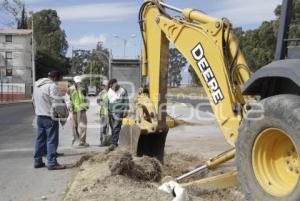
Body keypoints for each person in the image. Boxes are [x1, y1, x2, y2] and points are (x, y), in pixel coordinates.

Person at [32, 71, 66, 170]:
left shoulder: (37, 85)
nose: (59, 82)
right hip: (50, 117)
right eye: (59, 79)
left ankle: (37, 161)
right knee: (51, 140)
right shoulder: (52, 86)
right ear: (55, 78)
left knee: (40, 140)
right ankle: (52, 163)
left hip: (40, 116)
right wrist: (62, 118)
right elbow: (57, 102)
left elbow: (33, 100)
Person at [67, 76, 89, 147]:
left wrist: (86, 106)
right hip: (74, 110)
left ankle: (82, 141)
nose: (78, 84)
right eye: (77, 82)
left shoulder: (83, 89)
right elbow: (67, 99)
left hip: (82, 109)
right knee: (74, 126)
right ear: (74, 82)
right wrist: (70, 107)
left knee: (83, 126)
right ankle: (74, 141)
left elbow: (86, 98)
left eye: (79, 82)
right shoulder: (70, 89)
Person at [107, 79, 129, 148]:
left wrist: (125, 110)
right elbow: (109, 101)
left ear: (116, 84)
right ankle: (114, 143)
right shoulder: (110, 90)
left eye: (112, 86)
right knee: (113, 127)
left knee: (116, 127)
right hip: (111, 112)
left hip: (119, 111)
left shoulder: (123, 91)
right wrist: (108, 111)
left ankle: (113, 143)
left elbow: (126, 101)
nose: (111, 88)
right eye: (110, 86)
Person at [97, 80, 111, 146]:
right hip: (103, 112)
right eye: (106, 85)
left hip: (110, 113)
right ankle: (102, 141)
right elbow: (98, 101)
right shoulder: (102, 93)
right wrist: (104, 105)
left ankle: (109, 141)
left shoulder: (112, 92)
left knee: (111, 127)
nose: (107, 86)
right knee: (103, 127)